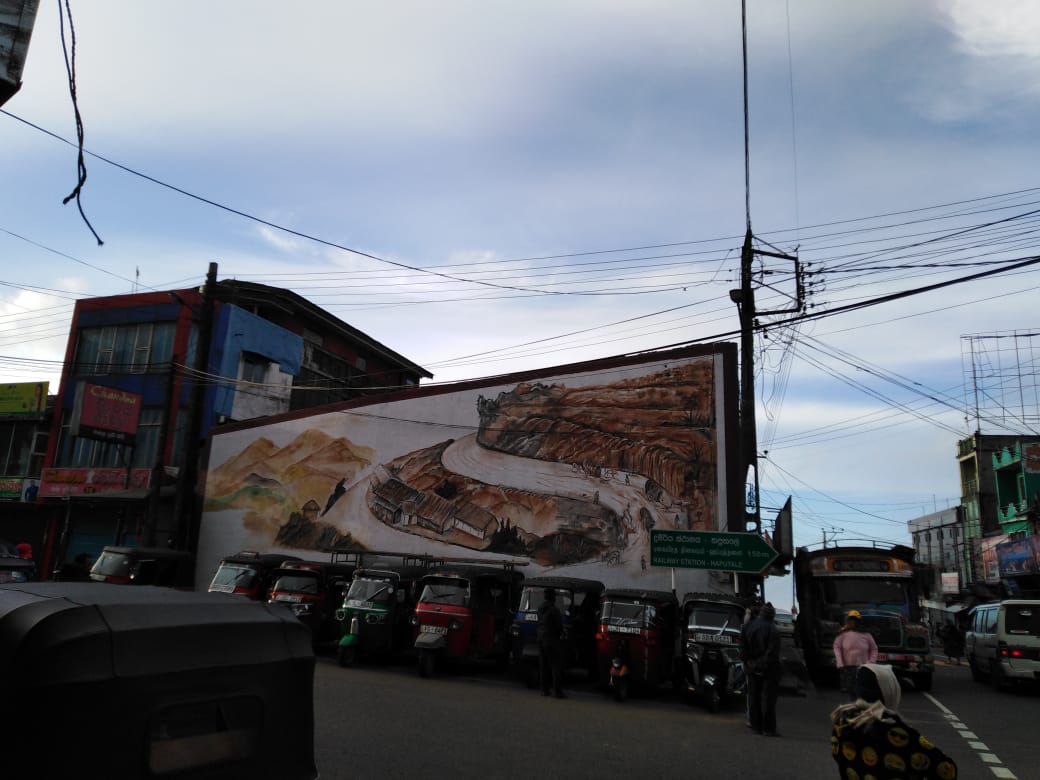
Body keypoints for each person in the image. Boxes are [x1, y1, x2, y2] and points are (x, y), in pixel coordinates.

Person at [831, 663, 957, 779]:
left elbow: (837, 755)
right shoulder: (900, 735)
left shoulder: (843, 723)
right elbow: (946, 771)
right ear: (890, 691)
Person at [742, 602, 782, 736]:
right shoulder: (773, 630)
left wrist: (748, 663)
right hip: (768, 669)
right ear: (772, 615)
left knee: (753, 697)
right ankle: (768, 728)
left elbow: (743, 648)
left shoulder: (748, 626)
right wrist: (761, 664)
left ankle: (756, 726)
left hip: (751, 666)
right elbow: (771, 653)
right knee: (768, 699)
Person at [833, 610, 878, 698]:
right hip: (847, 667)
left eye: (855, 620)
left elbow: (874, 649)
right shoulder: (842, 634)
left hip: (863, 667)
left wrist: (871, 662)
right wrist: (840, 662)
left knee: (861, 689)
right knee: (851, 689)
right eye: (851, 620)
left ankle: (860, 702)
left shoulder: (866, 634)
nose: (853, 622)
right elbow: (837, 647)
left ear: (859, 622)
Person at [537, 587, 566, 699]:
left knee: (543, 666)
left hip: (540, 638)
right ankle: (557, 692)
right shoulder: (555, 610)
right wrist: (561, 633)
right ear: (553, 597)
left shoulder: (540, 608)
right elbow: (559, 627)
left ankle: (544, 690)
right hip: (551, 640)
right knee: (555, 666)